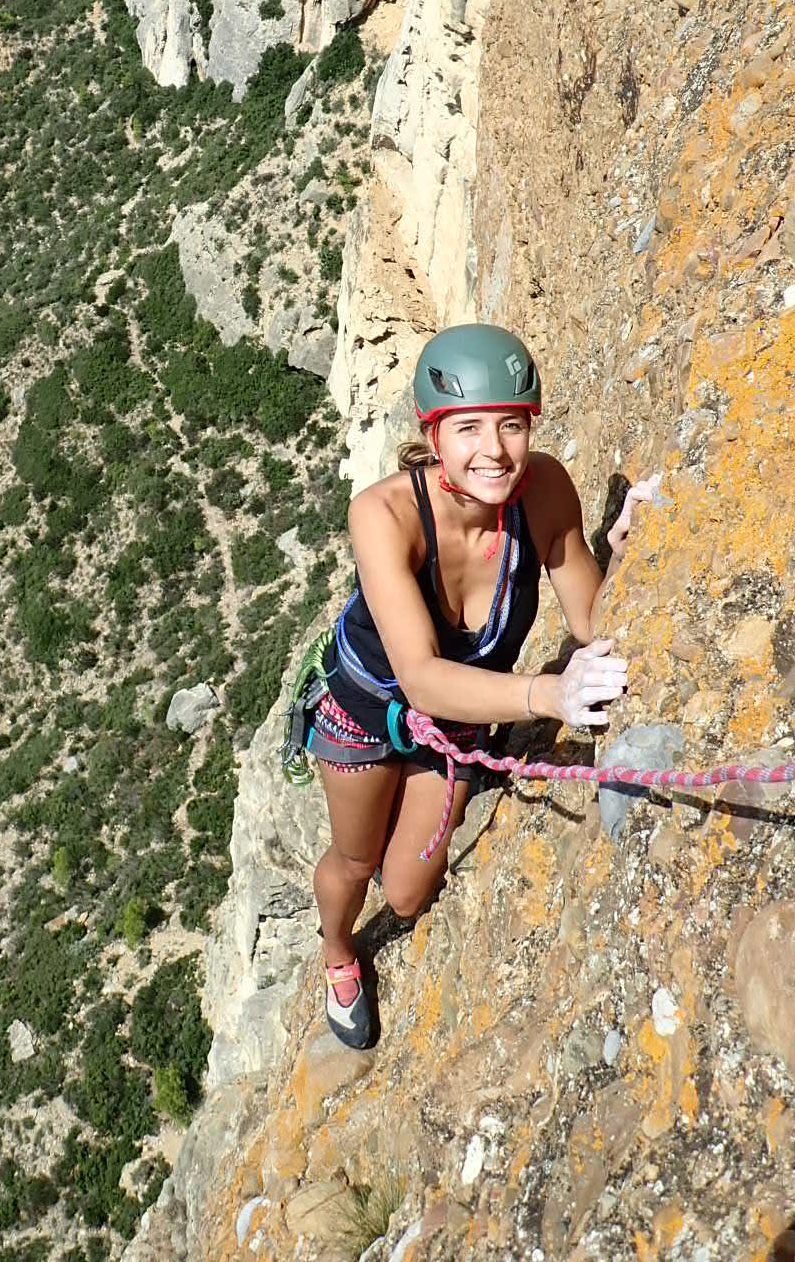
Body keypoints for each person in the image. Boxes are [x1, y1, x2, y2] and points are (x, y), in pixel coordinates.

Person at [304, 323, 630, 1048]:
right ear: (434, 432)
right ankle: (335, 950)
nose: (494, 450)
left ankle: (408, 827)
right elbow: (419, 678)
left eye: (511, 425)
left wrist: (628, 553)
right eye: (470, 428)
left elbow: (590, 615)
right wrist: (545, 698)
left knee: (406, 891)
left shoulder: (542, 490)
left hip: (454, 724)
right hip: (363, 715)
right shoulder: (382, 514)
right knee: (355, 862)